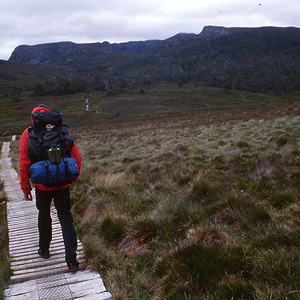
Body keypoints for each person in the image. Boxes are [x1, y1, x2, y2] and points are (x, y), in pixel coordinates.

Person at [19, 104, 81, 272]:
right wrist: (74, 176)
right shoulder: (61, 129)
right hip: (62, 182)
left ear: (34, 117)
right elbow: (76, 155)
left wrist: (26, 187)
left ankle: (44, 250)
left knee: (44, 214)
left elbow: (24, 163)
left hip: (41, 185)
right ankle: (71, 261)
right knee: (66, 217)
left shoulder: (28, 133)